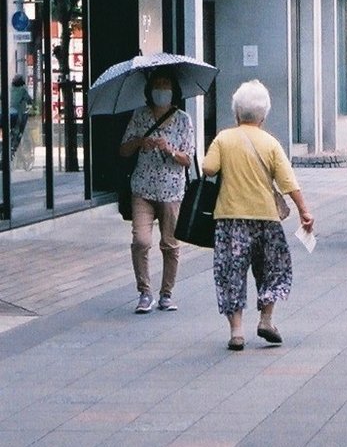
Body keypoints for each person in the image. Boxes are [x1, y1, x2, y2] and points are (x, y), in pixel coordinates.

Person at [202, 80, 314, 351]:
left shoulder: (223, 139)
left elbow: (208, 169)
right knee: (273, 270)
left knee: (231, 273)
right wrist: (304, 211)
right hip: (266, 220)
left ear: (236, 113)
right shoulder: (271, 143)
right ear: (264, 115)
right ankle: (266, 319)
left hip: (230, 220)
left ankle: (237, 332)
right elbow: (288, 181)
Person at [119, 70, 195, 315]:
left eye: (166, 85)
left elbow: (188, 159)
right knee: (141, 241)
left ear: (173, 90)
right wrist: (141, 141)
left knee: (170, 244)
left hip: (172, 190)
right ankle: (144, 292)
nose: (161, 89)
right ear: (150, 90)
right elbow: (123, 151)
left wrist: (170, 150)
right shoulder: (140, 116)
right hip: (142, 189)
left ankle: (166, 294)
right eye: (157, 85)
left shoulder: (184, 119)